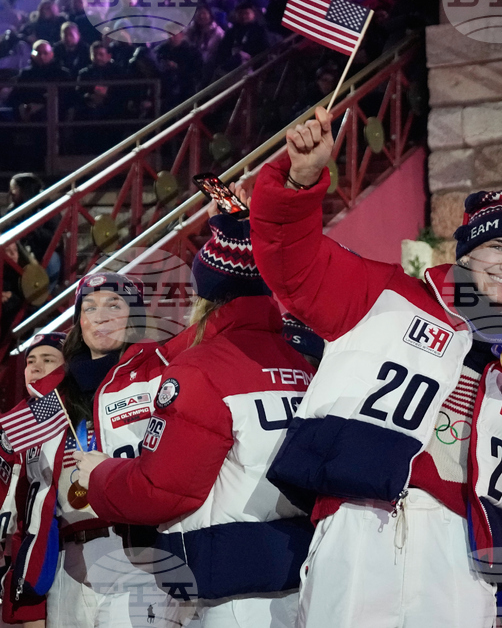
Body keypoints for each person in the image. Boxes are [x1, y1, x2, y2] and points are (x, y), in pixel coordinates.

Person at [249, 105, 502, 628]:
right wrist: (300, 181)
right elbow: (291, 263)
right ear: (465, 254)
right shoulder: (387, 292)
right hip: (362, 524)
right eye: (497, 247)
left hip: (467, 549)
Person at [77, 214, 317, 627]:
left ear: (205, 295)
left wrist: (101, 474)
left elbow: (162, 490)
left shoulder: (197, 367)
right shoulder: (300, 362)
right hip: (301, 569)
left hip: (233, 582)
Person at [1, 272, 174, 628]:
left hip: (140, 552)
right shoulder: (51, 397)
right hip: (66, 561)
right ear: (80, 320)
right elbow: (29, 501)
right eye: (90, 307)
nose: (102, 315)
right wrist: (29, 600)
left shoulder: (160, 373)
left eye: (115, 304)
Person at [0, 331, 66, 628]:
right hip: (34, 555)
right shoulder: (16, 426)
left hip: (81, 548)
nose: (35, 368)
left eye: (48, 359)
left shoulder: (84, 414)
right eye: (30, 361)